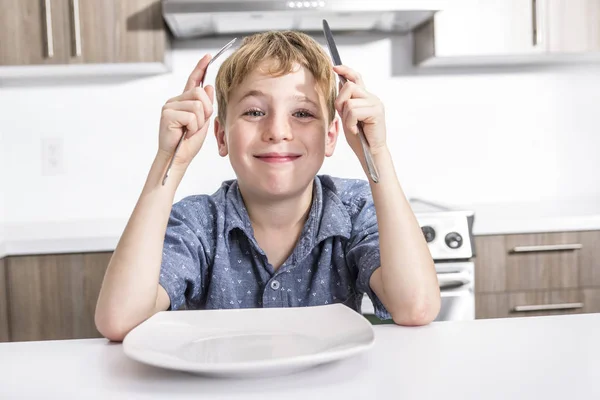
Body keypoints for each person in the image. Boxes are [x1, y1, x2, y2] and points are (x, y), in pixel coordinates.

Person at [95, 31, 440, 342]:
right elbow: (120, 321)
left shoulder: (354, 209)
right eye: (255, 112)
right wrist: (170, 159)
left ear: (332, 136)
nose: (278, 131)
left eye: (302, 114)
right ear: (221, 135)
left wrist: (374, 152)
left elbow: (416, 307)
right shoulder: (198, 223)